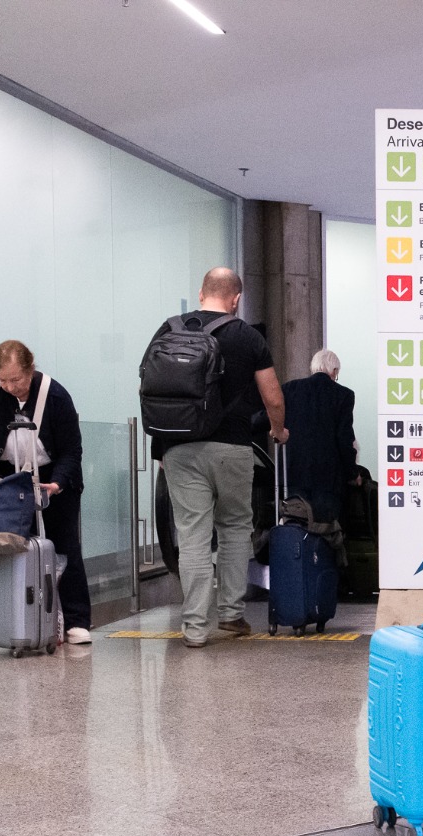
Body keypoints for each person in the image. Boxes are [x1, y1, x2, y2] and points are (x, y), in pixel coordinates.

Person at [151, 268, 287, 647]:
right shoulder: (247, 336)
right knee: (234, 527)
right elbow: (273, 395)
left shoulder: (169, 330)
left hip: (178, 447)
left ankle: (194, 628)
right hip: (231, 447)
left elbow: (152, 391)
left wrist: (160, 448)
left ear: (200, 293)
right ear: (236, 299)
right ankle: (231, 615)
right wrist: (277, 429)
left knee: (192, 535)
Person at [0, 340, 93, 644]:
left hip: (53, 476)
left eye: (15, 379)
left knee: (64, 544)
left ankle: (76, 621)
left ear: (30, 370)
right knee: (10, 545)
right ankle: (13, 617)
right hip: (7, 475)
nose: (8, 387)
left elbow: (72, 450)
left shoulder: (56, 396)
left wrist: (57, 483)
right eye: (1, 380)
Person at [278, 349, 357, 524]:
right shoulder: (344, 395)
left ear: (313, 368)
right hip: (327, 479)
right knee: (324, 530)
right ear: (334, 372)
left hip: (293, 473)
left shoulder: (289, 389)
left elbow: (266, 417)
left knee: (295, 525)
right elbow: (344, 439)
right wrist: (352, 473)